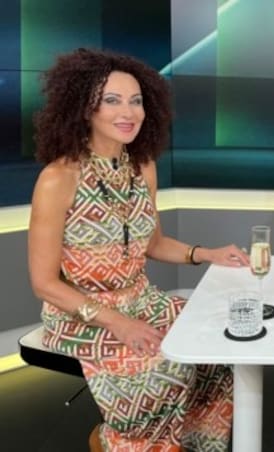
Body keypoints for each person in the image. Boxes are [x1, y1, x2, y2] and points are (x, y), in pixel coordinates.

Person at [27, 48, 250, 451]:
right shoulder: (57, 178)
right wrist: (116, 321)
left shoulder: (142, 165)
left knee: (214, 344)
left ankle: (191, 443)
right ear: (84, 109)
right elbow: (43, 283)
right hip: (82, 316)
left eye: (135, 100)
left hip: (141, 301)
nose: (127, 111)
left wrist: (207, 253)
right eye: (111, 100)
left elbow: (153, 243)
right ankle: (132, 443)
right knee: (162, 365)